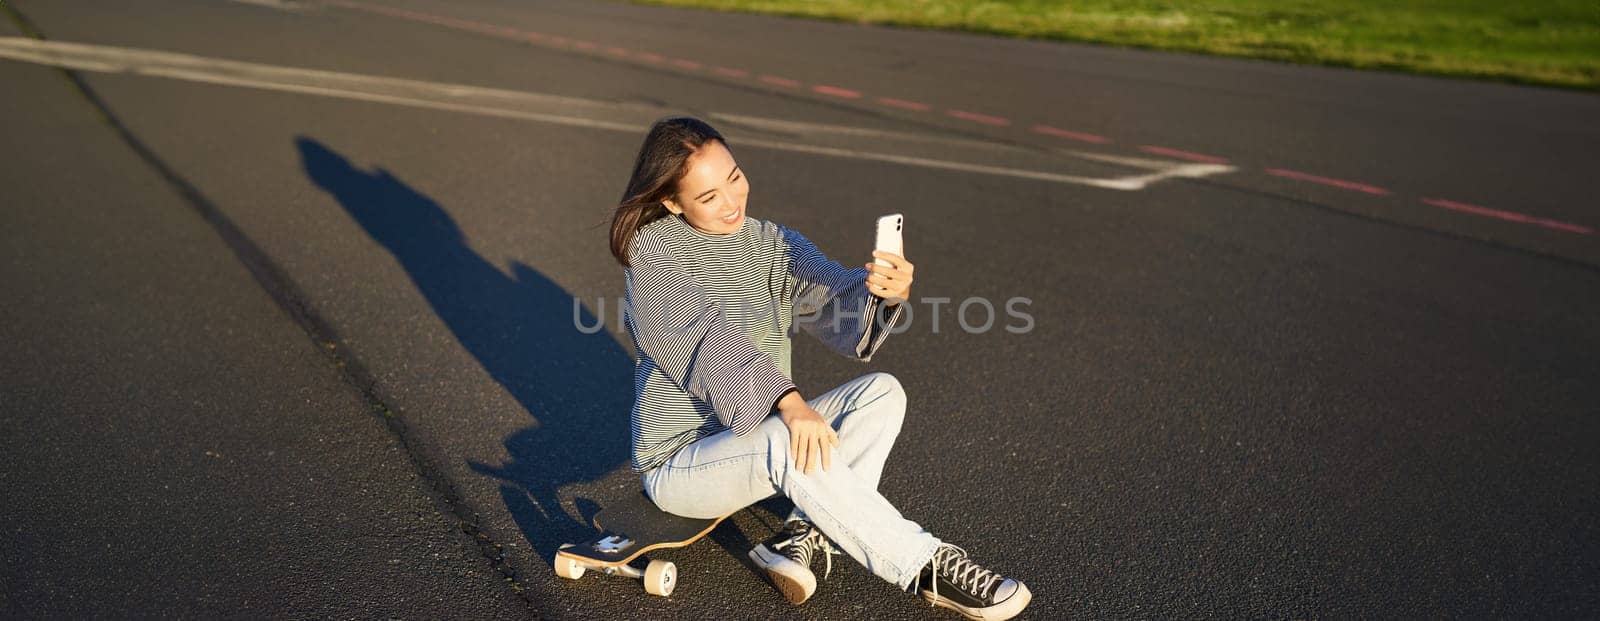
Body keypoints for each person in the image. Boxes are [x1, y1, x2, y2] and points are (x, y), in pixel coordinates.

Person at [608, 116, 1031, 620]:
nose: (732, 201)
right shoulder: (653, 254)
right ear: (672, 202)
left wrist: (880, 290)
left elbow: (832, 294)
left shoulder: (770, 243)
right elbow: (702, 339)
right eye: (709, 197)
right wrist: (789, 404)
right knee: (790, 435)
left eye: (735, 177)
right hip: (681, 464)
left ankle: (803, 534)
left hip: (758, 439)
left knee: (882, 392)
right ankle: (926, 566)